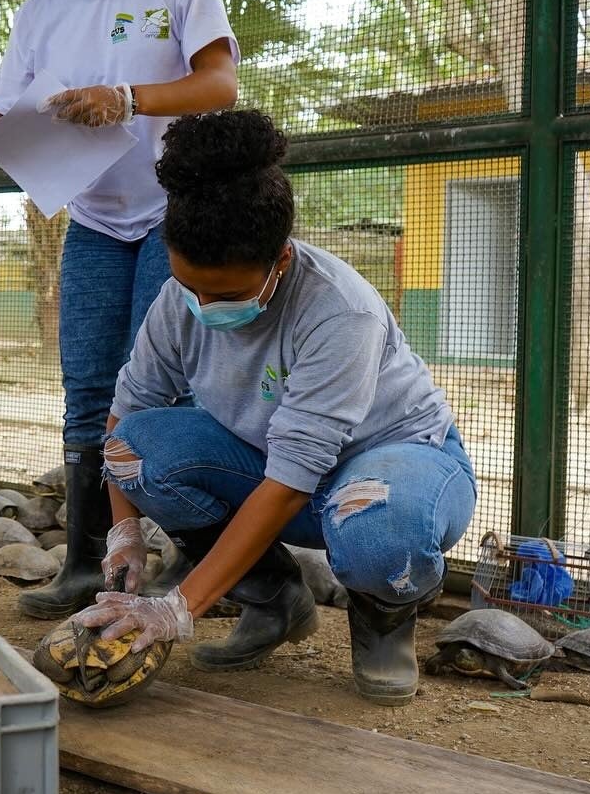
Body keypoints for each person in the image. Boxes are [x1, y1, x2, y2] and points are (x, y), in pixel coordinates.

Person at [70, 110, 478, 706]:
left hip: (391, 461)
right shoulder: (175, 300)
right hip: (273, 468)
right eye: (192, 286)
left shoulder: (339, 311)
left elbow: (293, 478)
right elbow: (125, 415)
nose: (205, 306)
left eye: (229, 294)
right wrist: (124, 536)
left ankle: (384, 622)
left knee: (379, 530)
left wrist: (177, 608)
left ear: (280, 261)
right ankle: (273, 599)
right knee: (135, 451)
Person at [0, 0, 240, 620]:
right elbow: (12, 117)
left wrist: (130, 98)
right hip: (95, 217)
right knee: (86, 389)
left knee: (162, 387)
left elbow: (219, 83)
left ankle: (198, 568)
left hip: (173, 211)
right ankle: (86, 564)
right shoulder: (40, 12)